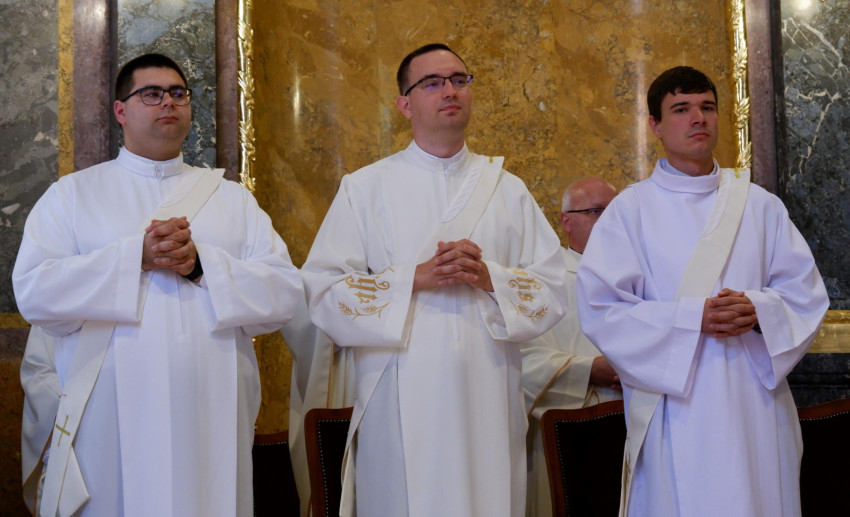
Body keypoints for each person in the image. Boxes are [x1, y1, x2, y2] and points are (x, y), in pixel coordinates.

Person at [13, 53, 303, 517]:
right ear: (120, 110)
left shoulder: (234, 200)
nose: (168, 102)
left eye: (178, 93)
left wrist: (201, 266)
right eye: (151, 93)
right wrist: (135, 258)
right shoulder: (72, 195)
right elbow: (35, 293)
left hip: (210, 411)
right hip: (108, 416)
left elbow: (285, 293)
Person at [301, 43, 568, 517]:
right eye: (433, 83)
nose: (450, 91)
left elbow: (552, 290)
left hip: (488, 392)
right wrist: (414, 278)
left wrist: (490, 277)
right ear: (404, 104)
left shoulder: (508, 191)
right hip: (397, 392)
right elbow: (323, 291)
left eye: (459, 80)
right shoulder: (365, 188)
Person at [576, 66, 829, 516]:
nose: (698, 118)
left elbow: (805, 296)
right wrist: (694, 318)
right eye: (681, 109)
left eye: (707, 107)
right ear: (655, 125)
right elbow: (602, 310)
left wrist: (758, 311)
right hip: (675, 410)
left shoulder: (760, 206)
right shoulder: (629, 212)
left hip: (755, 408)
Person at [520, 177, 622, 517]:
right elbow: (521, 361)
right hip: (567, 434)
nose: (609, 220)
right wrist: (588, 369)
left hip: (638, 422)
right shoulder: (542, 283)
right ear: (566, 221)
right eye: (596, 211)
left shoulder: (643, 278)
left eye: (615, 211)